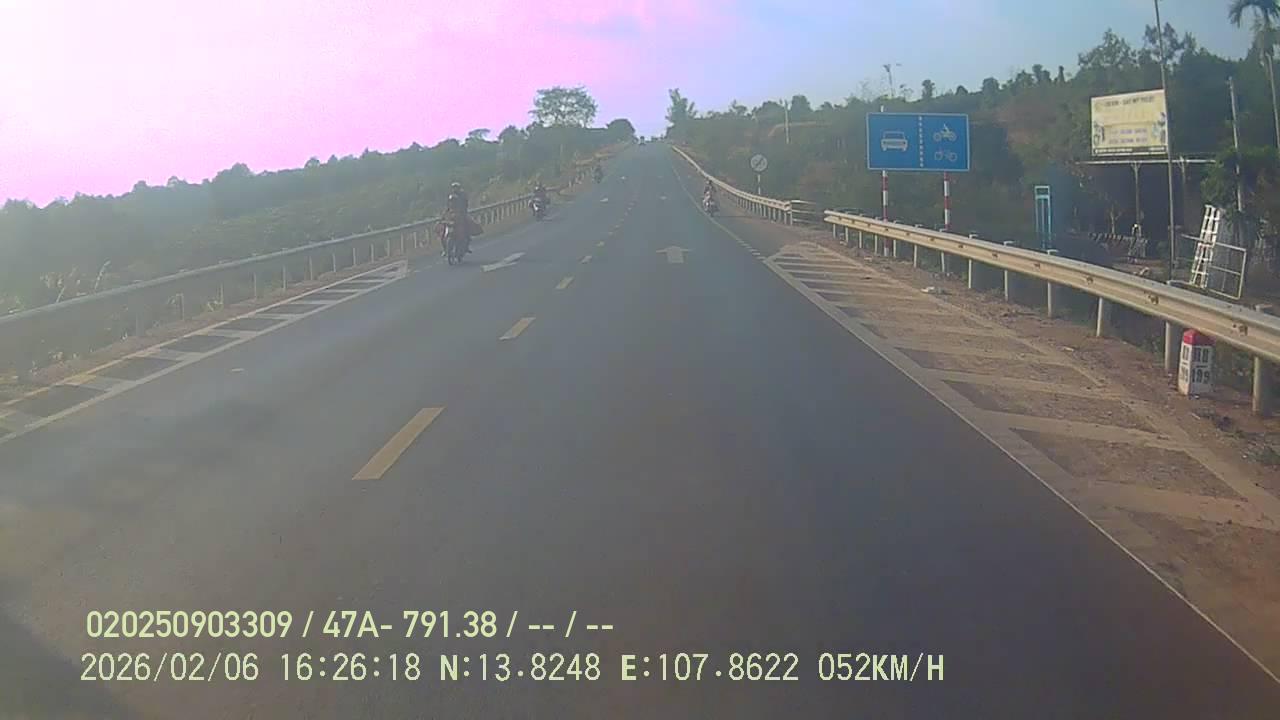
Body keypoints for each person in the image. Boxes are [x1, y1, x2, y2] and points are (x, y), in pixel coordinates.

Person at [442, 181, 472, 256]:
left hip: (462, 215)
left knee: (467, 228)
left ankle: (466, 246)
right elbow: (447, 208)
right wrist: (443, 217)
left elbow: (465, 206)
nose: (455, 189)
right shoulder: (450, 197)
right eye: (453, 188)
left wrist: (463, 213)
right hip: (452, 218)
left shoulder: (463, 196)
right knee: (443, 232)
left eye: (456, 188)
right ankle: (445, 249)